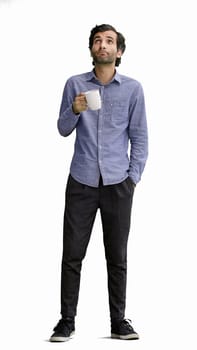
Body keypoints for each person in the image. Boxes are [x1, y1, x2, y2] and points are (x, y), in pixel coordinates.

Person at [50, 23, 148, 342]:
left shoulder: (133, 89)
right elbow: (63, 129)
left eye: (109, 41)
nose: (102, 45)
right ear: (91, 49)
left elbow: (140, 138)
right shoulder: (75, 84)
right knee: (72, 253)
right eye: (97, 41)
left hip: (119, 183)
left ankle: (118, 321)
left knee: (116, 255)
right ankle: (67, 320)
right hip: (81, 181)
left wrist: (132, 179)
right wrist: (75, 110)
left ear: (118, 52)